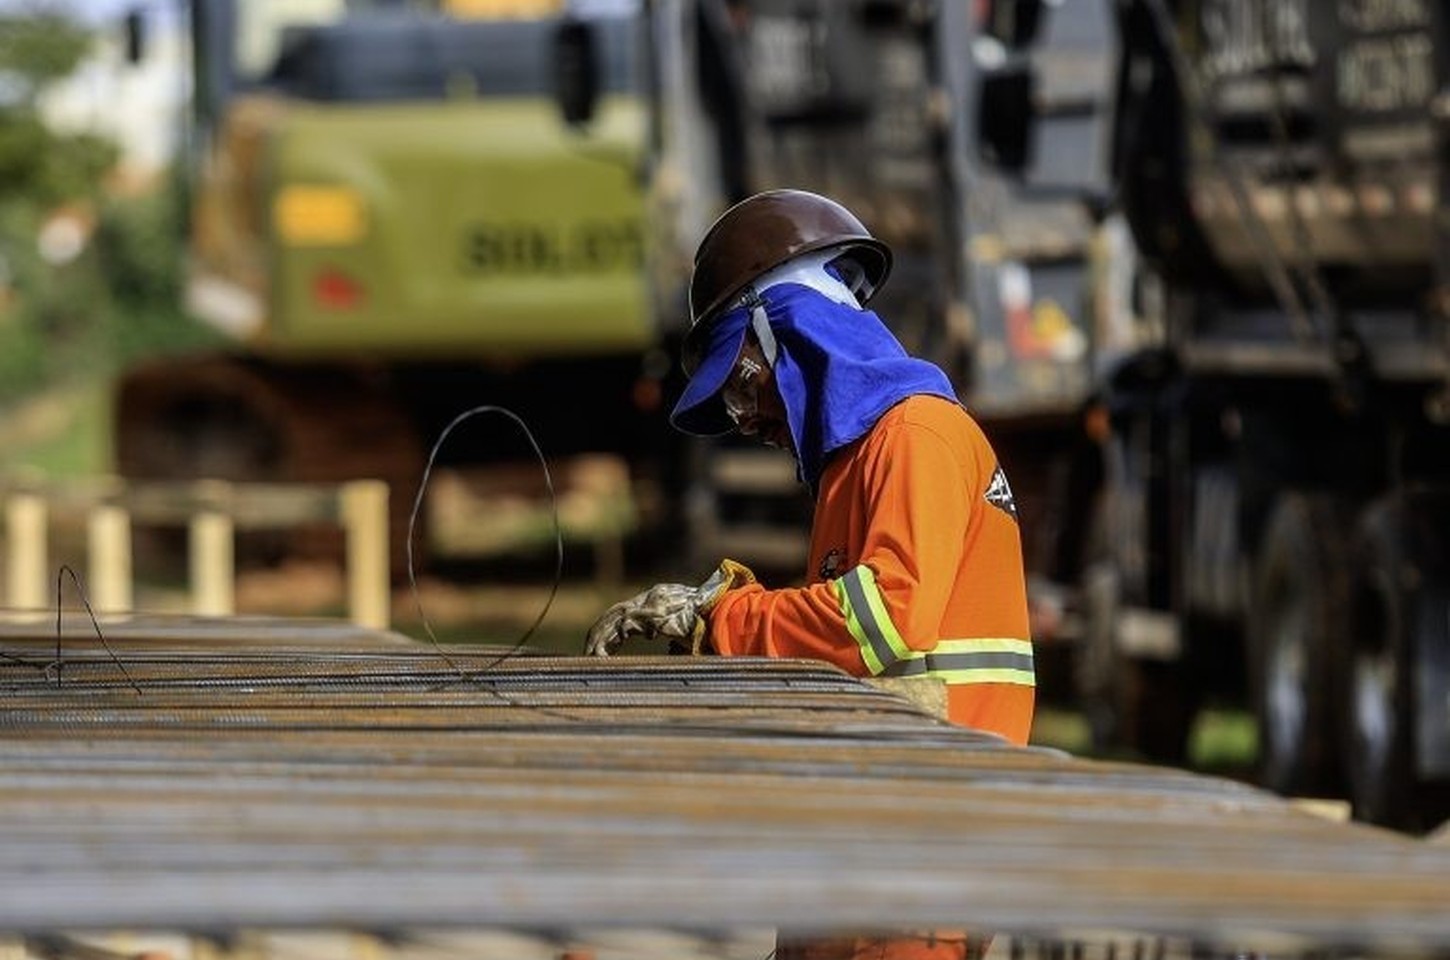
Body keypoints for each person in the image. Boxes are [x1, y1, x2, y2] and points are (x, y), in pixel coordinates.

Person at [586, 189, 1036, 958]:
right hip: (872, 831)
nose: (747, 420)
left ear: (794, 332)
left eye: (741, 382)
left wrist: (721, 619)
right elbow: (843, 643)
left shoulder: (915, 435)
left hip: (926, 848)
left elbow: (886, 617)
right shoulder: (855, 463)